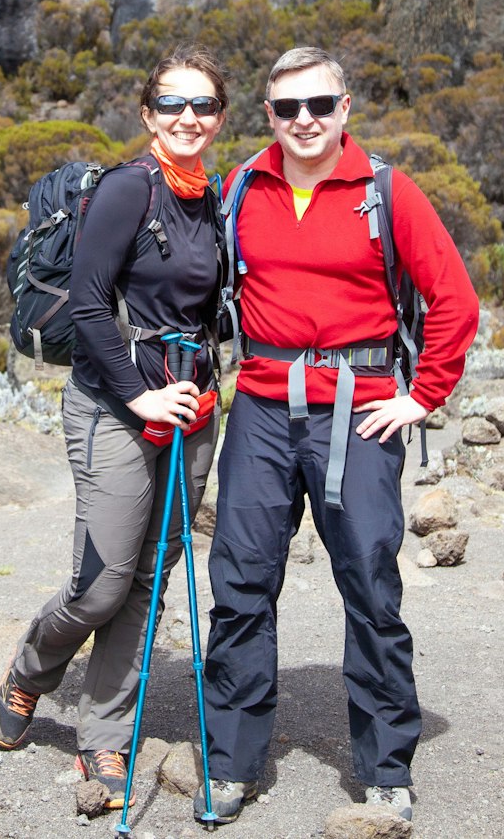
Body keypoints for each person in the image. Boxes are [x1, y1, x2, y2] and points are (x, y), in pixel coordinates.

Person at [200, 46, 480, 825]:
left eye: (319, 105)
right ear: (269, 114)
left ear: (345, 107)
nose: (305, 122)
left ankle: (386, 766)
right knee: (241, 584)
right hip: (258, 406)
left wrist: (421, 396)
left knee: (370, 585)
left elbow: (454, 297)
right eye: (288, 108)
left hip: (359, 409)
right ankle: (231, 762)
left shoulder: (387, 190)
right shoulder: (241, 188)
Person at [0, 45, 230, 807]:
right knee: (100, 588)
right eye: (172, 105)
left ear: (220, 117)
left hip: (193, 413)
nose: (187, 118)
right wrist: (140, 396)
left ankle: (103, 739)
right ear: (147, 115)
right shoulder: (131, 189)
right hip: (114, 408)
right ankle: (30, 668)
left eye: (202, 106)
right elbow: (90, 308)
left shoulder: (214, 199)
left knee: (149, 585)